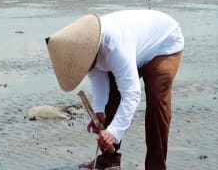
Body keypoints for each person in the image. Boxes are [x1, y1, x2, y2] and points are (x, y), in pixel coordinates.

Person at [45, 10, 184, 170]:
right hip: (135, 47)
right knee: (112, 95)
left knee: (156, 100)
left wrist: (114, 132)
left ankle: (156, 165)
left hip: (164, 43)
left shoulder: (114, 46)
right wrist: (99, 112)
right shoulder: (84, 47)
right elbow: (99, 80)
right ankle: (109, 159)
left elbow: (132, 93)